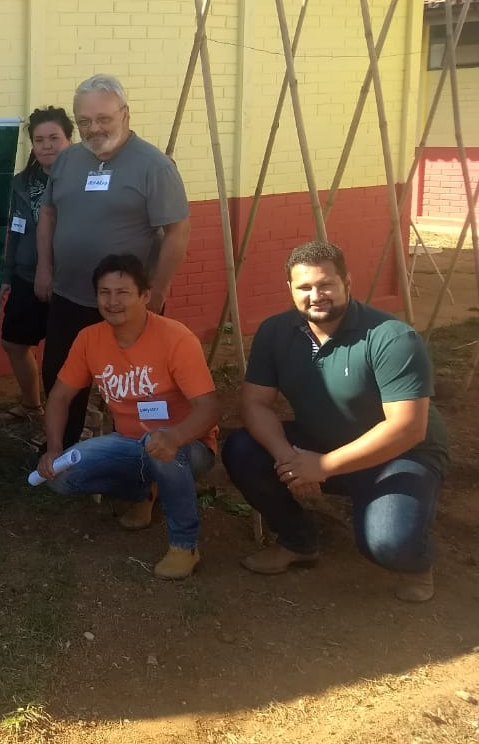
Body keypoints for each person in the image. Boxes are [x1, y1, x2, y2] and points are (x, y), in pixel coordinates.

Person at [222, 240, 449, 603]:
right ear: (290, 290)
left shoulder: (391, 337)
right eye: (305, 287)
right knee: (242, 449)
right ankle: (299, 541)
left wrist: (324, 466)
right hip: (322, 442)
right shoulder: (276, 332)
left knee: (388, 543)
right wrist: (288, 459)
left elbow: (407, 427)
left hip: (401, 455)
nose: (316, 295)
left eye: (326, 284)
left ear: (347, 282)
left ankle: (415, 562)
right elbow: (255, 404)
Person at [36, 254, 218, 580]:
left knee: (158, 445)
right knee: (61, 476)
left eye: (122, 292)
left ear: (145, 296)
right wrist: (52, 448)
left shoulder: (176, 338)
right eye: (104, 293)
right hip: (129, 443)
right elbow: (60, 396)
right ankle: (143, 492)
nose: (112, 301)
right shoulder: (90, 339)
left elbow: (209, 408)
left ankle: (184, 545)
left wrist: (175, 436)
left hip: (188, 446)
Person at [34, 74, 190, 448]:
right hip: (69, 293)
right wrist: (44, 266)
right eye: (84, 121)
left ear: (125, 113)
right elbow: (49, 214)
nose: (94, 128)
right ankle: (63, 446)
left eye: (103, 118)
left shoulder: (155, 166)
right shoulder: (68, 159)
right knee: (60, 376)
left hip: (126, 303)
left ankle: (137, 452)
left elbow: (177, 232)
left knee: (136, 382)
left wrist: (158, 288)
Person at [0, 107, 74, 431]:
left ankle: (73, 419)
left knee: (67, 357)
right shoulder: (21, 184)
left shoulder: (85, 180)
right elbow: (16, 231)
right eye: (39, 140)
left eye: (54, 138)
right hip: (26, 277)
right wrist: (7, 275)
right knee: (15, 343)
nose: (46, 146)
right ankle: (32, 404)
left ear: (70, 140)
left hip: (70, 283)